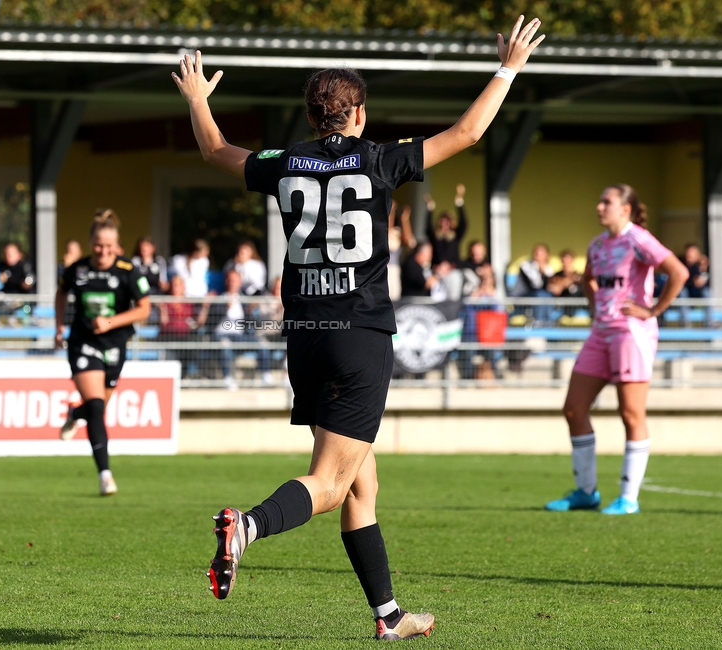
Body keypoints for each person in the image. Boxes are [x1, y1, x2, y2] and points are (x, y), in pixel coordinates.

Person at [173, 14, 543, 640]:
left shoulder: (284, 161)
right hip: (358, 337)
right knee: (330, 482)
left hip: (307, 335)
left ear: (313, 118)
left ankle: (388, 615)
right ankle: (248, 526)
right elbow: (470, 131)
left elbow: (214, 150)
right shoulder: (380, 160)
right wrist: (507, 67)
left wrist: (198, 100)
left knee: (360, 484)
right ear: (360, 114)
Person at [544, 185, 688, 516]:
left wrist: (653, 311)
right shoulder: (597, 245)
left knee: (630, 413)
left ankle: (628, 498)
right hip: (601, 332)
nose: (599, 206)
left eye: (606, 202)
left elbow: (678, 272)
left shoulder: (638, 239)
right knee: (573, 409)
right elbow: (589, 280)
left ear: (625, 209)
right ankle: (586, 492)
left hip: (631, 334)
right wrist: (595, 308)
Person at [54, 210, 151, 496]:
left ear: (117, 244)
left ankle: (76, 412)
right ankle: (105, 475)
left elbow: (144, 308)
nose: (103, 251)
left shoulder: (128, 270)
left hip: (116, 344)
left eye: (109, 246)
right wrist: (59, 325)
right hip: (83, 342)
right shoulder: (78, 269)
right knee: (97, 407)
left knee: (96, 408)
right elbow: (61, 293)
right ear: (90, 242)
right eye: (98, 245)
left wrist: (110, 322)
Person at [210, 269, 271, 389]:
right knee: (225, 345)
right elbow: (211, 319)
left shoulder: (244, 300)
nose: (232, 283)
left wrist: (250, 312)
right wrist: (225, 308)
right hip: (222, 335)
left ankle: (265, 374)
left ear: (240, 282)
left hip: (239, 336)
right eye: (230, 280)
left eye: (235, 280)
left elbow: (249, 323)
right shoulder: (218, 298)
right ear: (226, 281)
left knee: (262, 343)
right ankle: (227, 378)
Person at [425, 185, 468, 268]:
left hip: (452, 269)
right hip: (436, 269)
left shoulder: (455, 235)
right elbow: (428, 227)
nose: (445, 223)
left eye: (447, 221)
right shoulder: (435, 235)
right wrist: (430, 209)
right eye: (443, 220)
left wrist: (459, 203)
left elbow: (464, 223)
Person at [516, 243, 554, 323]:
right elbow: (536, 285)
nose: (538, 256)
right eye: (537, 253)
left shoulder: (548, 267)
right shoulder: (525, 265)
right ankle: (539, 322)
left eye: (541, 253)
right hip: (523, 295)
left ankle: (547, 322)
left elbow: (550, 286)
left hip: (541, 295)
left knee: (547, 295)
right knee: (540, 294)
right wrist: (540, 271)